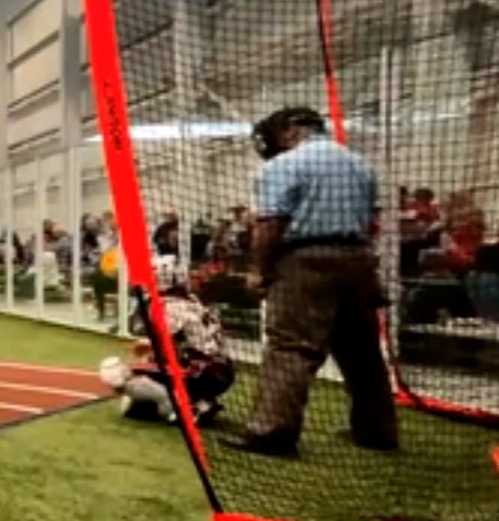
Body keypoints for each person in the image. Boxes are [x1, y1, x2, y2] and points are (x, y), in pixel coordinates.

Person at [239, 107, 397, 455]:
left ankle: (272, 433)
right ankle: (378, 431)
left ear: (291, 130)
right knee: (363, 352)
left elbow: (270, 224)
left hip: (305, 260)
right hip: (358, 261)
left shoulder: (284, 165)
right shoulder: (360, 164)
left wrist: (259, 269)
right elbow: (373, 223)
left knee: (290, 347)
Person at [101, 255, 236, 423]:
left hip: (203, 372)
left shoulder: (166, 305)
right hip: (221, 372)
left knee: (116, 372)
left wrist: (149, 350)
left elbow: (167, 348)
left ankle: (179, 408)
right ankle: (201, 401)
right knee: (148, 366)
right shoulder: (191, 300)